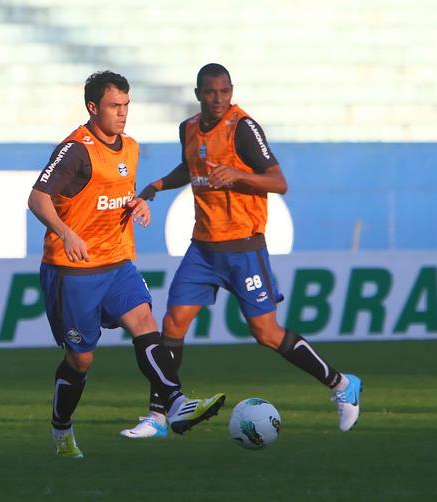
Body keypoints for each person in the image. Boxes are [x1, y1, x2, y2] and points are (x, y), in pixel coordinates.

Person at [121, 63, 362, 438]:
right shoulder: (188, 128)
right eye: (210, 92)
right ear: (198, 93)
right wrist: (157, 184)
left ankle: (341, 384)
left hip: (244, 247)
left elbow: (278, 182)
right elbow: (191, 167)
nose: (218, 99)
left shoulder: (243, 128)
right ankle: (159, 415)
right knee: (172, 324)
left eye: (224, 92)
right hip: (203, 248)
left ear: (231, 91)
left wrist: (239, 175)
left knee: (266, 333)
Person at [28, 70, 226, 458]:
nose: (122, 114)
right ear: (92, 107)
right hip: (74, 272)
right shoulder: (75, 151)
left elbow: (114, 193)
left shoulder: (131, 147)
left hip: (117, 262)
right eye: (114, 106)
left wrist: (134, 203)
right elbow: (38, 198)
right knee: (80, 359)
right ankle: (61, 429)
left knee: (145, 322)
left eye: (126, 106)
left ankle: (175, 403)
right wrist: (66, 233)